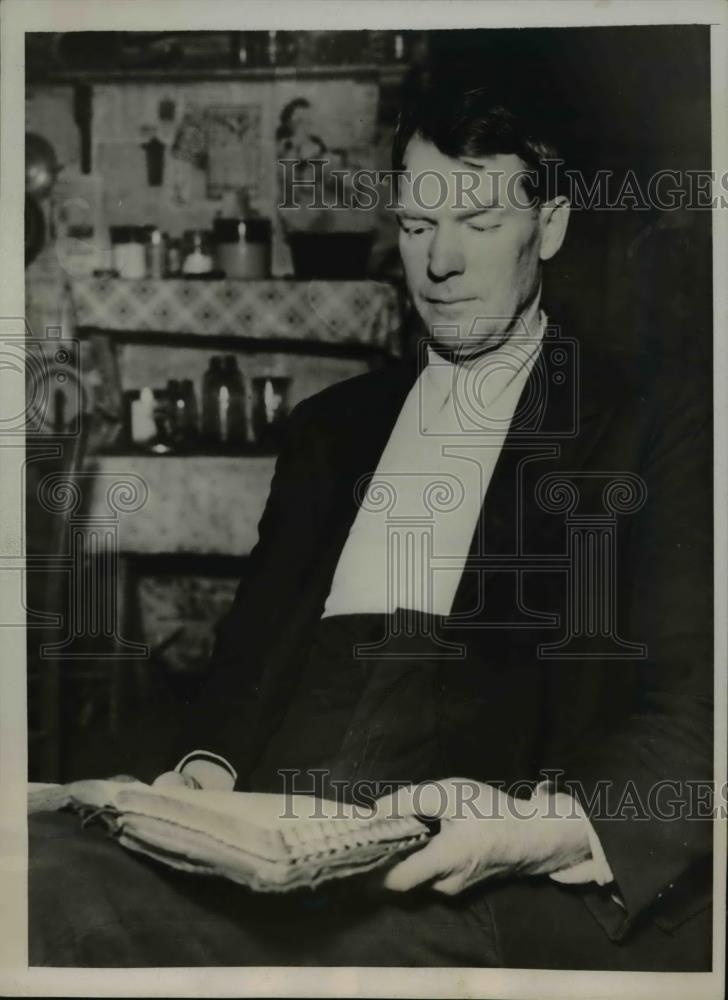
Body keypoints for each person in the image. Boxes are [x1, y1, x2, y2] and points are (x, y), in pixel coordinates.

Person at [29, 84, 713, 970]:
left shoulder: (650, 421)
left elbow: (699, 706)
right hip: (274, 842)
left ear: (548, 227)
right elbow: (243, 664)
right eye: (420, 226)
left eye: (477, 219)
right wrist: (201, 777)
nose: (442, 261)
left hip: (475, 875)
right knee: (38, 872)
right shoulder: (331, 428)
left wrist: (532, 831)